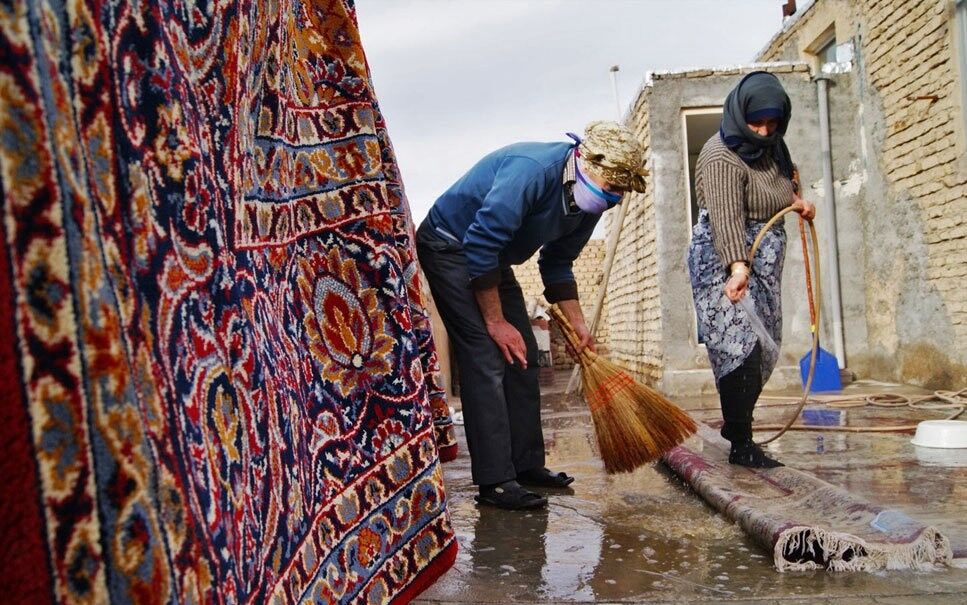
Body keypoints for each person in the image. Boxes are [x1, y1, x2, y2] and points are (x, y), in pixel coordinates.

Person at [417, 121, 647, 509]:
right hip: (450, 246)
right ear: (586, 164)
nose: (613, 199)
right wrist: (494, 321)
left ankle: (526, 467)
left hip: (494, 257)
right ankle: (495, 482)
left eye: (620, 194)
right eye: (611, 189)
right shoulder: (531, 172)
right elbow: (480, 242)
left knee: (522, 357)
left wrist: (579, 326)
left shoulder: (590, 201)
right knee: (486, 357)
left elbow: (558, 263)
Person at [687, 71, 815, 468]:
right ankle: (741, 442)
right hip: (723, 256)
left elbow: (783, 186)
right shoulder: (720, 154)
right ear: (740, 115)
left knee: (766, 348)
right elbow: (726, 219)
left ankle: (736, 422)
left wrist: (798, 201)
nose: (762, 130)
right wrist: (737, 268)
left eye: (771, 123)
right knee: (738, 345)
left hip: (766, 255)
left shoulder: (774, 145)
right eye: (756, 122)